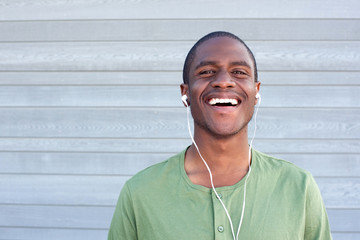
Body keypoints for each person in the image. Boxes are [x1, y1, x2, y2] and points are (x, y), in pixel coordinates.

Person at [108, 31, 332, 240]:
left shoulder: (298, 187)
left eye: (239, 72)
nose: (224, 81)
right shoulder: (140, 192)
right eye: (206, 72)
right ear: (185, 93)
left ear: (256, 92)